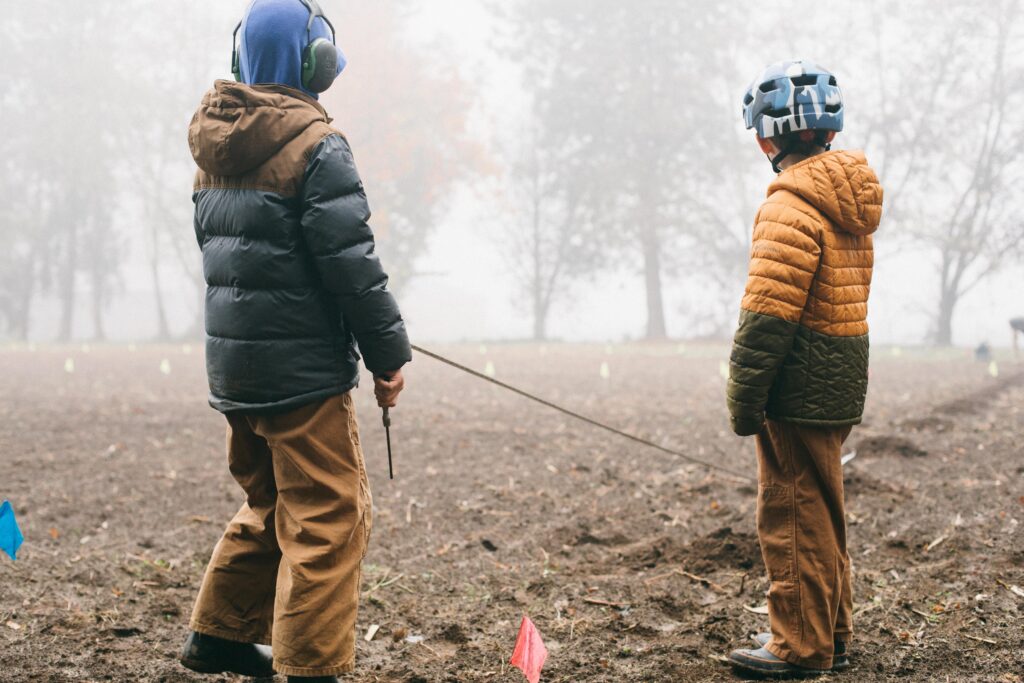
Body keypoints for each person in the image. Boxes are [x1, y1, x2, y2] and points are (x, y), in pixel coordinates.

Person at [178, 1, 411, 681]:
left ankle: (217, 633)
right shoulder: (317, 146)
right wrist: (389, 355)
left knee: (272, 503)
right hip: (302, 377)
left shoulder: (213, 149)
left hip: (235, 373)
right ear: (317, 61)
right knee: (330, 516)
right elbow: (352, 266)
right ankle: (312, 668)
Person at [725, 60, 883, 678]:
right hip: (840, 375)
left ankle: (799, 645)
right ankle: (832, 634)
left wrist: (743, 402)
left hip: (797, 384)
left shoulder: (789, 207)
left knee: (791, 514)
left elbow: (766, 320)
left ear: (770, 138)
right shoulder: (848, 199)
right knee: (822, 508)